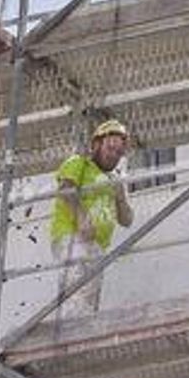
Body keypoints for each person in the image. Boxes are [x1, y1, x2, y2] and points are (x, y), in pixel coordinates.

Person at [49, 118, 134, 316]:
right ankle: (71, 334)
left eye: (119, 152)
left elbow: (127, 220)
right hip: (73, 237)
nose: (114, 155)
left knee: (89, 297)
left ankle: (79, 333)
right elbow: (66, 188)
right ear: (96, 144)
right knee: (77, 290)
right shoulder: (79, 163)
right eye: (110, 147)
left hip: (97, 247)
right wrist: (82, 218)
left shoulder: (115, 179)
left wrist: (121, 195)